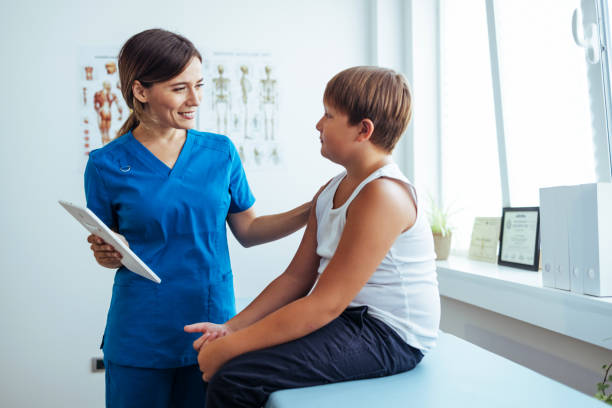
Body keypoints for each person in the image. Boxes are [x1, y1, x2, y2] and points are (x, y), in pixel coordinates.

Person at [185, 66, 441, 407]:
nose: (318, 125)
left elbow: (325, 304)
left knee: (235, 377)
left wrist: (231, 348)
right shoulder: (331, 190)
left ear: (363, 130)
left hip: (390, 334)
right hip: (348, 319)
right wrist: (231, 329)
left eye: (329, 115)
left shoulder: (384, 195)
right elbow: (295, 278)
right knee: (233, 361)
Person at [84, 29, 312, 408]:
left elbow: (249, 230)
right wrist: (107, 253)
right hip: (140, 332)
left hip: (211, 325)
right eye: (179, 89)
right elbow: (108, 249)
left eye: (199, 85)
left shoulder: (220, 152)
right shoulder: (105, 165)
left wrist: (313, 208)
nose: (195, 100)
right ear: (140, 91)